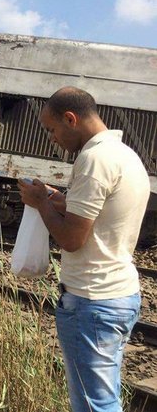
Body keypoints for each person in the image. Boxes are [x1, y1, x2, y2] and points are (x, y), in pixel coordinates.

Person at [18, 87, 149, 412]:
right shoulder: (126, 156)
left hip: (93, 301)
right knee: (104, 399)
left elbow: (72, 239)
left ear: (70, 119)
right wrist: (58, 199)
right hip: (119, 293)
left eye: (51, 129)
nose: (52, 138)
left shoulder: (93, 159)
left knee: (94, 406)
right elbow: (102, 215)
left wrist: (40, 204)